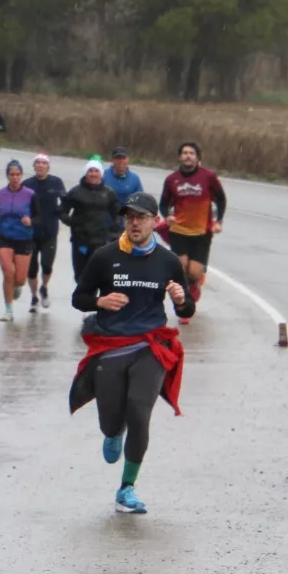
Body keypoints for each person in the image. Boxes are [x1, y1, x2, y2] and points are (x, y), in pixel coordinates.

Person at [69, 192, 191, 515]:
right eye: (129, 217)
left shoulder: (168, 261)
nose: (134, 223)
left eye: (140, 217)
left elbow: (188, 305)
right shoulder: (106, 257)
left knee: (139, 411)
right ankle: (113, 432)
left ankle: (127, 488)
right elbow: (78, 297)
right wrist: (99, 302)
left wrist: (180, 300)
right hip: (111, 345)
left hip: (150, 346)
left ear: (155, 221)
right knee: (112, 424)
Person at [160, 141, 227, 320]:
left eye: (191, 153)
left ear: (198, 158)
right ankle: (185, 306)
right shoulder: (172, 179)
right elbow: (163, 203)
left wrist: (218, 220)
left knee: (194, 272)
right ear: (179, 157)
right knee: (180, 270)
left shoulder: (209, 177)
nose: (188, 156)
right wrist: (167, 216)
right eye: (184, 153)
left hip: (201, 232)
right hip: (179, 230)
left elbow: (221, 199)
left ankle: (197, 280)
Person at [0, 159, 38, 322]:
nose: (15, 178)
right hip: (4, 237)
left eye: (17, 175)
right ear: (7, 176)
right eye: (12, 174)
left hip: (24, 238)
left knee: (20, 279)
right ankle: (8, 310)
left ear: (22, 176)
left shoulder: (30, 195)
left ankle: (17, 286)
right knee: (8, 272)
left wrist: (31, 221)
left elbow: (39, 217)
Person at [59, 160, 121, 282]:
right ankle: (83, 298)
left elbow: (118, 212)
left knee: (97, 274)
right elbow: (61, 212)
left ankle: (93, 299)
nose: (93, 174)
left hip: (100, 240)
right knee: (80, 276)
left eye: (96, 171)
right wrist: (73, 222)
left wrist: (115, 226)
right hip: (80, 240)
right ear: (85, 173)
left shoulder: (108, 193)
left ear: (101, 174)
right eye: (90, 171)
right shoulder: (76, 191)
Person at [25, 153, 66, 311]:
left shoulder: (56, 182)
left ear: (48, 167)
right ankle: (34, 297)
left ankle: (44, 287)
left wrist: (63, 214)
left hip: (50, 232)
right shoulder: (28, 184)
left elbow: (65, 201)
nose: (40, 165)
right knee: (32, 269)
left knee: (47, 266)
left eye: (43, 163)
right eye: (38, 163)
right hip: (31, 233)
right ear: (34, 166)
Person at [102, 147, 144, 233]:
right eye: (118, 158)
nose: (120, 161)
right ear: (112, 160)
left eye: (123, 158)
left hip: (125, 226)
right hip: (104, 225)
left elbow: (140, 202)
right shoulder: (103, 175)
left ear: (128, 160)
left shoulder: (134, 179)